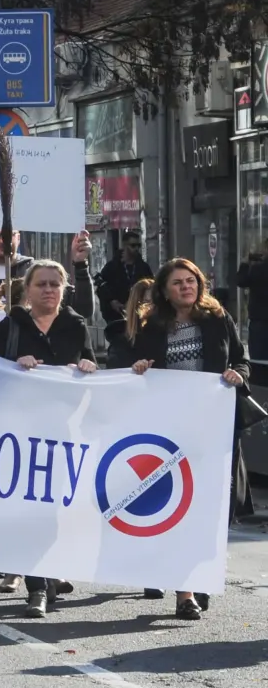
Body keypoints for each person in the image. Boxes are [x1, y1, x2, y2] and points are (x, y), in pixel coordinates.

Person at [130, 258, 250, 619]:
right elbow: (136, 365)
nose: (186, 287)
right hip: (171, 431)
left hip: (214, 428)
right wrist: (139, 369)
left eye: (192, 280)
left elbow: (243, 361)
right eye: (178, 282)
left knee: (211, 508)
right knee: (180, 506)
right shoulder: (153, 326)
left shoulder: (218, 319)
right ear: (164, 291)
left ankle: (198, 576)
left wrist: (236, 375)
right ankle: (185, 591)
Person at [0, 259, 97, 616]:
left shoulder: (75, 326)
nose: (48, 290)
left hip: (62, 432)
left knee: (55, 510)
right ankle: (37, 587)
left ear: (63, 289)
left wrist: (88, 367)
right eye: (41, 284)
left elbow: (90, 367)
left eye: (54, 284)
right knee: (29, 509)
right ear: (27, 290)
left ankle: (49, 575)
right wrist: (15, 365)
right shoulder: (11, 326)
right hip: (19, 433)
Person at [0, 229, 94, 334]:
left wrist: (81, 264)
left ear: (18, 238)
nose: (3, 240)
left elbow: (83, 309)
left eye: (9, 234)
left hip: (28, 360)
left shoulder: (37, 272)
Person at [95, 233, 154, 337]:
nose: (136, 248)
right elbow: (101, 287)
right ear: (125, 245)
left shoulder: (143, 267)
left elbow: (151, 287)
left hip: (138, 315)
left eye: (138, 245)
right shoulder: (112, 267)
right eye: (133, 245)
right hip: (116, 316)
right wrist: (112, 301)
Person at [105, 279, 155, 369]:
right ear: (136, 305)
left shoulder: (169, 333)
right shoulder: (120, 339)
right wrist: (134, 368)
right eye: (148, 302)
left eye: (158, 302)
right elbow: (115, 372)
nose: (154, 307)